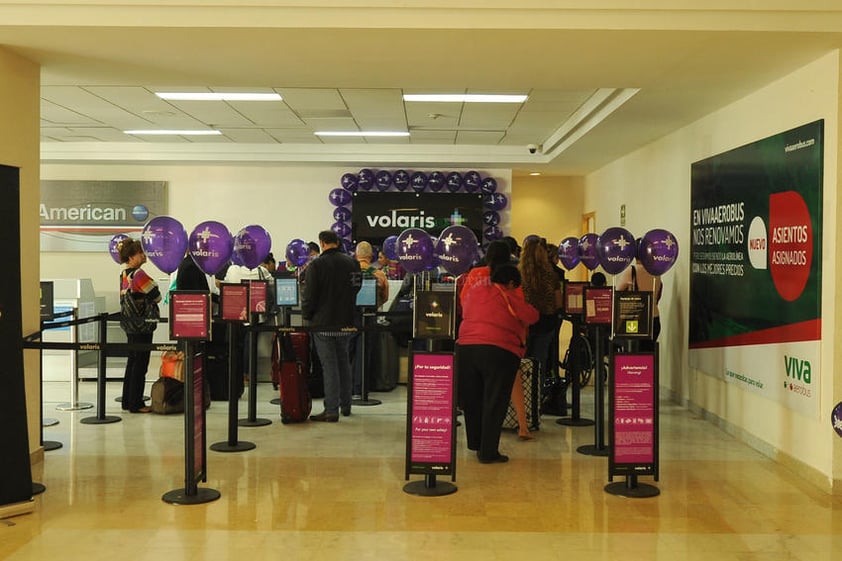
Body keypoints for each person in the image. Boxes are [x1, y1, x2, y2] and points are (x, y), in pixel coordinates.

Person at [457, 264, 538, 463]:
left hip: (466, 348)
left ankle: (475, 443)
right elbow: (531, 316)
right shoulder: (506, 293)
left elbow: (464, 309)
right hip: (498, 350)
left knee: (473, 399)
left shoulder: (475, 290)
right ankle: (488, 452)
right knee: (494, 400)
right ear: (511, 282)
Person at [301, 230, 361, 422]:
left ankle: (331, 410)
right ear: (337, 242)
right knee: (344, 362)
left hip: (323, 323)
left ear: (322, 243)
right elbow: (357, 287)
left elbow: (309, 295)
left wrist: (307, 315)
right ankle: (346, 405)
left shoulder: (316, 265)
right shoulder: (353, 263)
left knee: (330, 366)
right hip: (346, 321)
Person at [118, 238, 161, 413]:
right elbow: (156, 296)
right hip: (142, 324)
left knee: (132, 361)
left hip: (129, 323)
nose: (144, 256)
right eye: (140, 253)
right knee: (141, 363)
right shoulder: (139, 274)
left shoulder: (123, 274)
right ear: (131, 256)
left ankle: (128, 400)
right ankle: (137, 403)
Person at [519, 238, 562, 380]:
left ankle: (522, 394)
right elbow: (558, 302)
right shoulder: (551, 275)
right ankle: (537, 393)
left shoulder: (519, 275)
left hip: (523, 323)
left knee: (522, 359)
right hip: (546, 322)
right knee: (540, 360)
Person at [616, 255, 663, 351]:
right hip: (654, 319)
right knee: (649, 355)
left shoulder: (631, 271)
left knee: (634, 356)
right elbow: (658, 295)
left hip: (636, 320)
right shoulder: (656, 272)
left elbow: (617, 294)